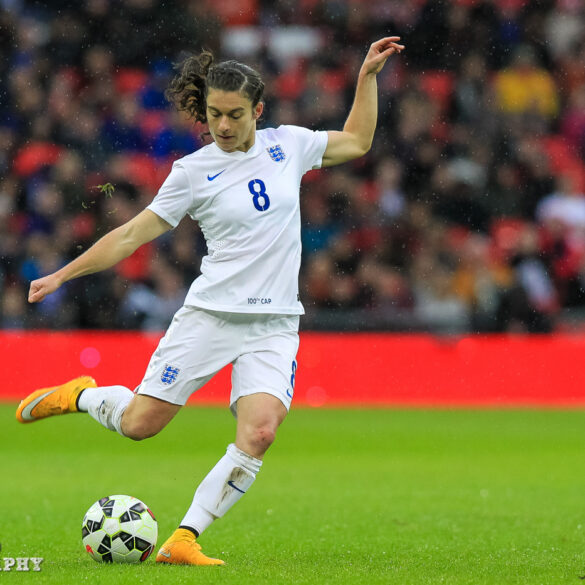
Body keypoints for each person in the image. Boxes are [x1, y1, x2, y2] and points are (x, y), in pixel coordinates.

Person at [16, 37, 405, 566]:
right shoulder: (192, 172)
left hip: (274, 323)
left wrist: (366, 78)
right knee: (139, 425)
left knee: (261, 431)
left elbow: (357, 142)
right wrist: (62, 273)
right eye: (215, 114)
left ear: (257, 112)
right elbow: (130, 235)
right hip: (210, 318)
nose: (222, 126)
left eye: (235, 115)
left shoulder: (288, 145)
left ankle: (185, 537)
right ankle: (81, 396)